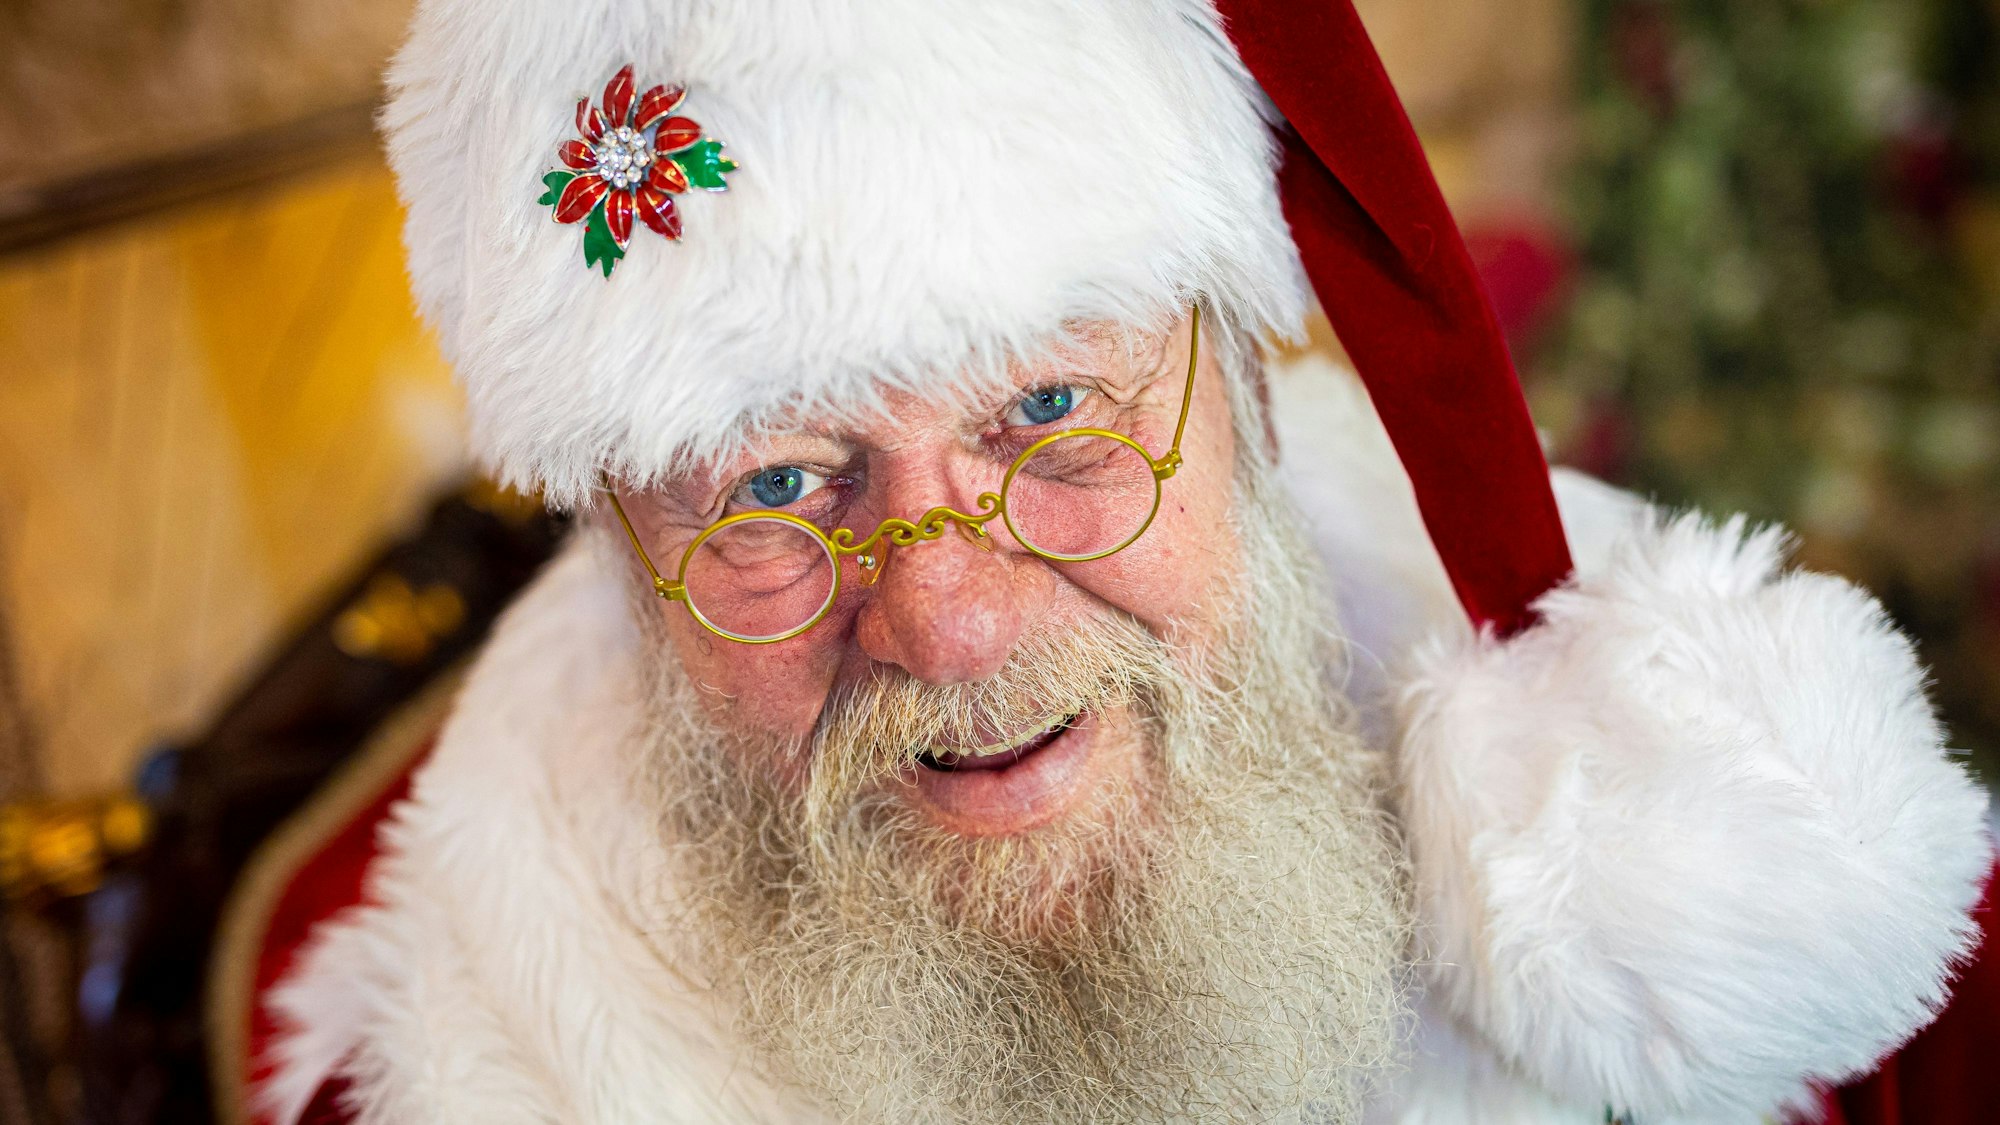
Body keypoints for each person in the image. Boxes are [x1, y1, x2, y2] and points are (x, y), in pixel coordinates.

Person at [242, 1, 1997, 1122]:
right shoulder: (440, 1067)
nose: (948, 616)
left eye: (1057, 411)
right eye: (779, 483)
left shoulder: (1785, 895)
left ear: (1248, 387)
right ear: (625, 542)